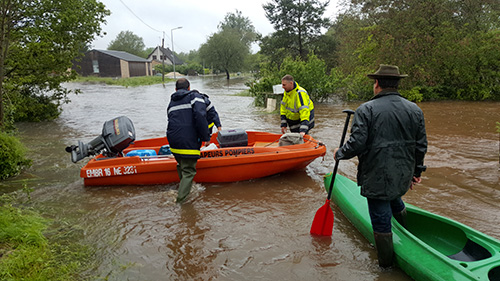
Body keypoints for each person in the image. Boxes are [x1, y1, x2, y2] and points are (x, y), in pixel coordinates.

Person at [333, 64, 427, 268]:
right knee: (395, 197)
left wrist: (339, 153)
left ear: (377, 84)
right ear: (397, 83)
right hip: (402, 172)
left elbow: (357, 143)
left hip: (376, 174)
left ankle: (385, 266)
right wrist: (416, 171)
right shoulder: (414, 109)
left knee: (380, 218)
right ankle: (405, 234)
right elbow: (421, 146)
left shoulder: (366, 109)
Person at [167, 78, 211, 203]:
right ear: (189, 87)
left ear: (175, 89)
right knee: (189, 171)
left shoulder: (172, 103)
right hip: (188, 141)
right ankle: (181, 201)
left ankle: (185, 189)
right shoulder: (194, 97)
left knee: (181, 165)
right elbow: (200, 116)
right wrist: (206, 137)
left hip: (173, 140)